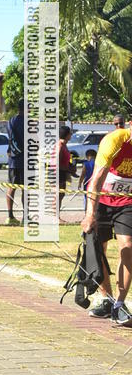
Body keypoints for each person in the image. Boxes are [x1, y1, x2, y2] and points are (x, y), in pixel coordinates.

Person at [82, 118, 132, 326]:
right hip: (101, 199)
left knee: (128, 246)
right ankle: (106, 298)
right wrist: (90, 214)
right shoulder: (115, 140)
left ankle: (119, 304)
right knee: (97, 249)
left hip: (127, 202)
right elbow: (96, 180)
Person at [6, 98, 25, 224]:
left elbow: (10, 138)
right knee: (26, 189)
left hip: (12, 158)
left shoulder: (11, 120)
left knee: (11, 188)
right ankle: (26, 217)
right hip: (25, 159)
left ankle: (10, 216)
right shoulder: (28, 122)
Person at [58, 125, 77, 217]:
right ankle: (54, 217)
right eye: (70, 133)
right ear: (66, 135)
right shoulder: (60, 146)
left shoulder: (64, 145)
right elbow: (56, 163)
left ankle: (57, 216)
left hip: (63, 173)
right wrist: (69, 169)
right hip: (58, 174)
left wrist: (70, 167)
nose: (71, 135)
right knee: (57, 195)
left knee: (61, 195)